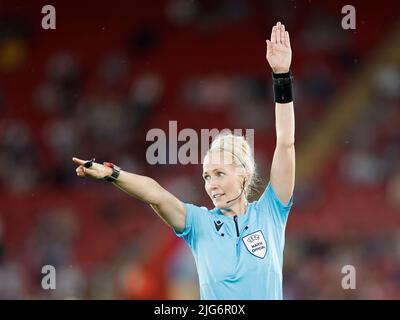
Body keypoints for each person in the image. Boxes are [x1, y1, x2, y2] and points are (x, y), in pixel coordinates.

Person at [72, 21, 295, 300]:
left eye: (219, 173)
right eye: (206, 176)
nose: (211, 184)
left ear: (243, 174)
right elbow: (157, 196)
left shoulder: (271, 212)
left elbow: (285, 144)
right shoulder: (198, 224)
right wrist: (112, 174)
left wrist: (281, 76)